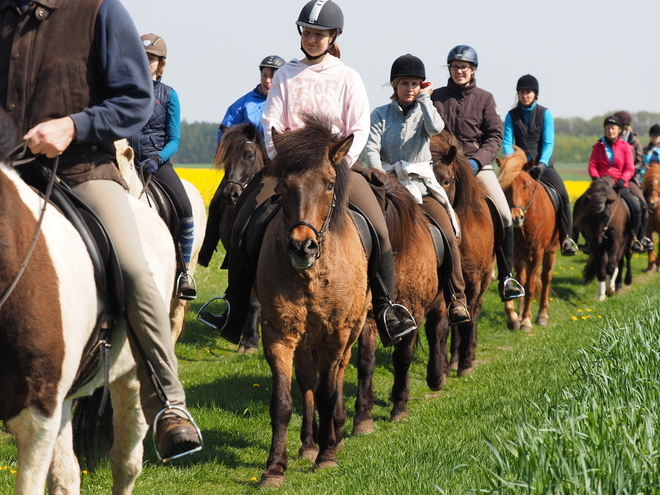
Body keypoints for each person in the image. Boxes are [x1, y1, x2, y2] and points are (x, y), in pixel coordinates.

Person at [0, 0, 202, 461]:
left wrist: (74, 125)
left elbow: (134, 101)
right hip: (9, 172)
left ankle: (168, 402)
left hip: (81, 170)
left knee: (133, 267)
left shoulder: (101, 11)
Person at [198, 0, 416, 347]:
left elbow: (357, 127)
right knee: (241, 222)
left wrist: (338, 163)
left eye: (319, 33)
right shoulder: (285, 73)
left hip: (336, 167)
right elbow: (272, 122)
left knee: (378, 227)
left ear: (333, 37)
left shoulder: (347, 77)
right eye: (307, 32)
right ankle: (234, 307)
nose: (312, 38)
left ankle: (386, 308)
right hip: (289, 168)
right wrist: (280, 161)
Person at [365, 54, 470, 327]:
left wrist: (425, 99)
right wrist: (380, 177)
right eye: (404, 84)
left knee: (447, 232)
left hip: (420, 186)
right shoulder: (379, 114)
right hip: (387, 185)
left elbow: (437, 128)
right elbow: (372, 150)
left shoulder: (426, 111)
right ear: (394, 86)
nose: (409, 88)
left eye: (414, 84)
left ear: (421, 86)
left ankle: (457, 298)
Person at [431, 45, 525, 302]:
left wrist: (476, 162)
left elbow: (494, 135)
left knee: (505, 214)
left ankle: (507, 277)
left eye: (464, 67)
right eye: (455, 66)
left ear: (473, 70)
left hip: (477, 167)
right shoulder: (435, 97)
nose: (460, 71)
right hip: (441, 168)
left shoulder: (485, 98)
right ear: (449, 69)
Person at [129, 33, 196, 300]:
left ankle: (183, 272)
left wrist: (157, 159)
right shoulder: (122, 91)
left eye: (152, 59)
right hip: (124, 160)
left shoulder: (169, 95)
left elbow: (174, 139)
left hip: (155, 163)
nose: (146, 63)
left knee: (186, 208)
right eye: (142, 57)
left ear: (161, 62)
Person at [502, 74, 578, 256]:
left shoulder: (546, 114)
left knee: (563, 195)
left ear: (535, 94)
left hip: (542, 167)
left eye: (528, 92)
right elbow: (506, 141)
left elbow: (548, 143)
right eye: (521, 92)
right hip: (519, 168)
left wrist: (542, 164)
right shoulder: (511, 115)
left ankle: (567, 238)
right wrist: (512, 162)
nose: (525, 95)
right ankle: (499, 241)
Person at [585, 115, 652, 254]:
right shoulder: (598, 146)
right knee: (582, 203)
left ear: (619, 130)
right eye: (608, 128)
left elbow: (629, 167)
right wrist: (597, 179)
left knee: (638, 207)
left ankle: (637, 238)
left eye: (613, 128)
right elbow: (592, 165)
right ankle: (580, 239)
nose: (610, 131)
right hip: (602, 184)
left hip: (620, 184)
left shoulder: (626, 147)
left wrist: (623, 180)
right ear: (604, 129)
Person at [217, 55, 286, 144]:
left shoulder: (290, 103)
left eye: (272, 76)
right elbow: (225, 131)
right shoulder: (243, 103)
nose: (267, 80)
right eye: (264, 75)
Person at [614, 111, 645, 177]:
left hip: (629, 176)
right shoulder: (609, 140)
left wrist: (629, 172)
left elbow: (640, 162)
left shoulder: (635, 142)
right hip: (611, 175)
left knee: (636, 188)